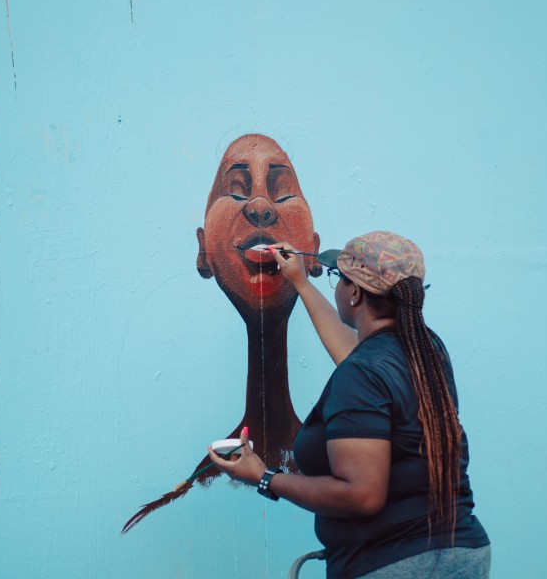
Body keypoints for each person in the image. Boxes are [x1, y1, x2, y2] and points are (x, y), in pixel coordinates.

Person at [208, 231, 491, 578]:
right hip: (462, 551)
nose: (336, 287)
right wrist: (302, 283)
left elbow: (361, 495)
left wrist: (265, 477)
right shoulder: (426, 351)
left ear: (354, 292)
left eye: (337, 279)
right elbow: (357, 358)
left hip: (397, 564)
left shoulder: (364, 373)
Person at [122, 134, 320, 534]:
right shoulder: (186, 501)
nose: (261, 207)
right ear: (203, 251)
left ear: (314, 253)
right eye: (235, 190)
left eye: (282, 193)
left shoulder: (340, 460)